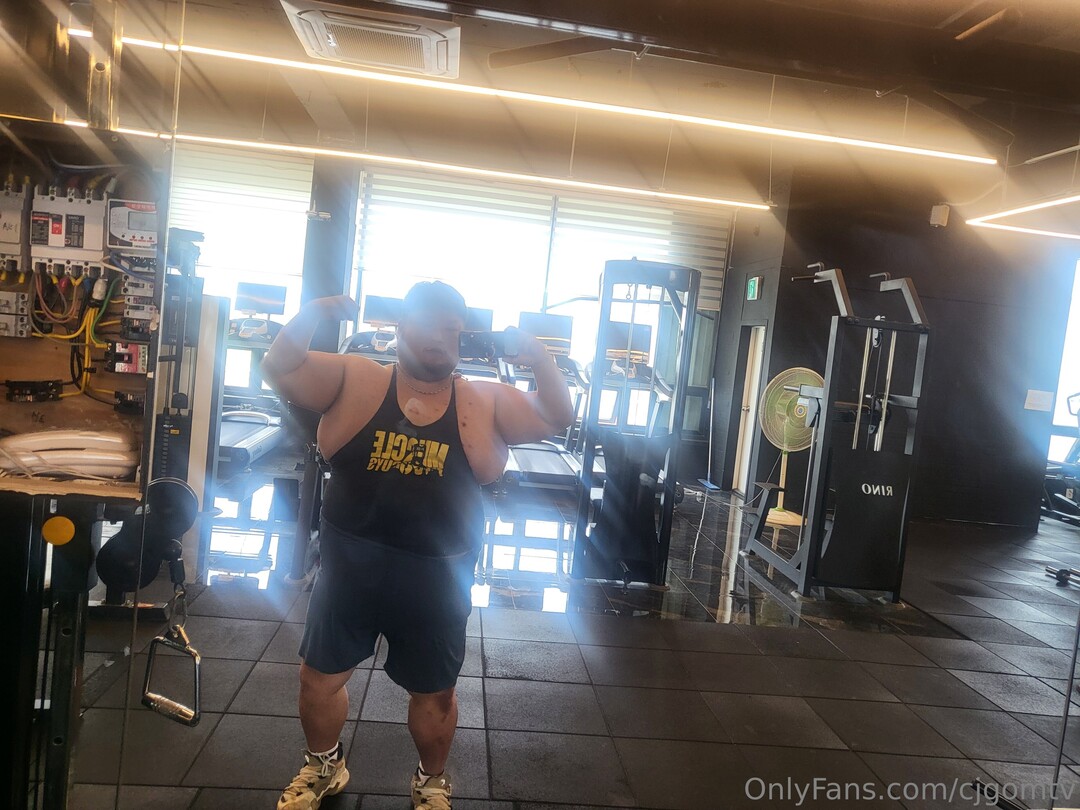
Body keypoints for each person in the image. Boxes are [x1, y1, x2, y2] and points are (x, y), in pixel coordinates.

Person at [261, 281, 574, 810]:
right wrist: (313, 311)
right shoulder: (358, 378)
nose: (441, 338)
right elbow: (280, 366)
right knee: (318, 681)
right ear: (402, 326)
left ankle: (431, 781)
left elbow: (556, 416)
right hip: (350, 569)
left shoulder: (482, 400)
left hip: (437, 578)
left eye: (451, 329)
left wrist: (540, 357)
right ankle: (324, 767)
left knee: (435, 697)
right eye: (429, 325)